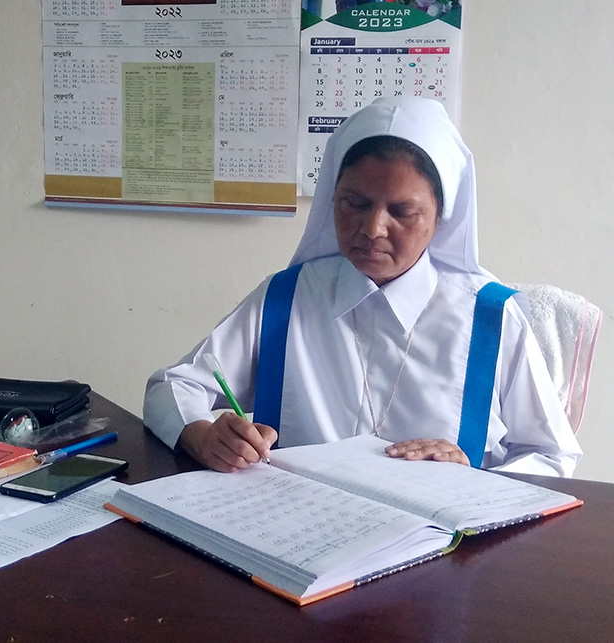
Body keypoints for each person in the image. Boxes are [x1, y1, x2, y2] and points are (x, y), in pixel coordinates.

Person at [143, 97, 582, 477]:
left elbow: (551, 454)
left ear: (441, 216)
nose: (372, 228)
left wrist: (474, 478)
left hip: (440, 550)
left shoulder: (490, 317)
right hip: (299, 535)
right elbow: (171, 386)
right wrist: (203, 437)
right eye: (355, 203)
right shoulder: (288, 298)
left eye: (402, 211)